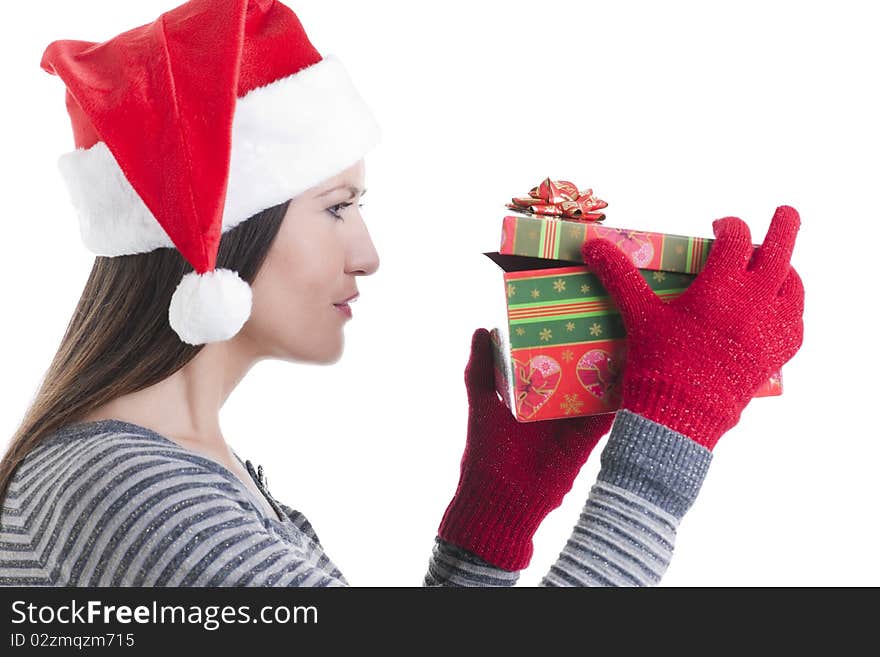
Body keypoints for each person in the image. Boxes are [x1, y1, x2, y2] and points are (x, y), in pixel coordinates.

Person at [0, 0, 804, 587]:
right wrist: (669, 438)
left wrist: (489, 531)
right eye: (336, 207)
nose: (369, 254)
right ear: (219, 235)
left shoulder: (177, 468)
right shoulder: (132, 494)